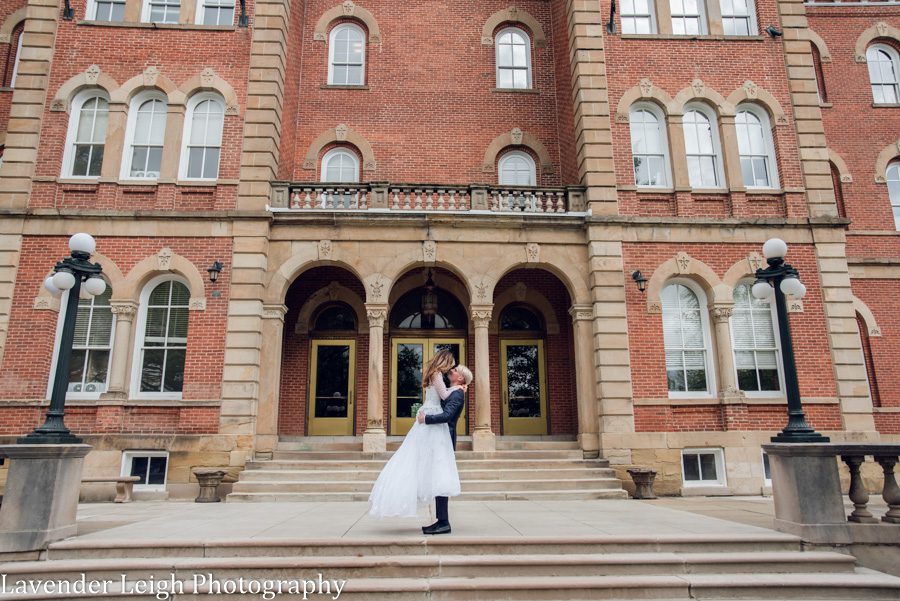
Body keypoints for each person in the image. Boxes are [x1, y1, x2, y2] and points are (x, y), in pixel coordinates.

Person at [368, 350, 464, 520]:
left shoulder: (433, 374)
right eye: (451, 363)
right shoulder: (437, 375)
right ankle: (441, 518)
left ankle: (441, 517)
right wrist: (458, 387)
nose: (451, 368)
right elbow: (444, 395)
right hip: (431, 414)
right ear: (445, 361)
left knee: (425, 459)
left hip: (430, 412)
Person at [417, 363, 472, 535]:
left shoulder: (457, 394)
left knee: (441, 479)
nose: (451, 371)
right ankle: (441, 521)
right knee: (438, 478)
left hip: (445, 439)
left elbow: (447, 416)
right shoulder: (453, 391)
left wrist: (426, 419)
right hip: (440, 439)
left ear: (460, 378)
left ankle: (444, 522)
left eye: (455, 371)